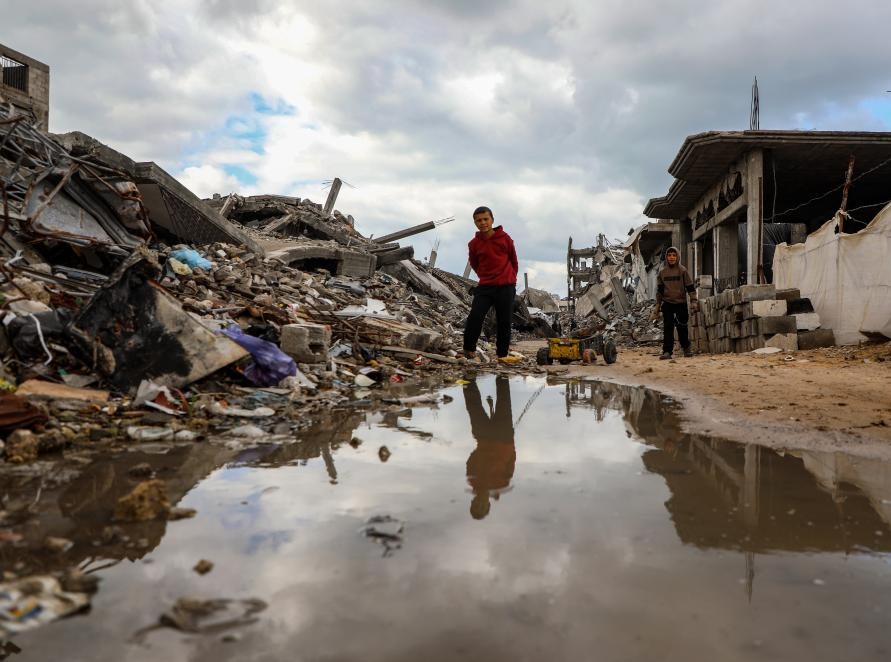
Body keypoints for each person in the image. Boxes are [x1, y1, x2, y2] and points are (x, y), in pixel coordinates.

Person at [463, 206, 519, 360]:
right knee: (475, 316)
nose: (482, 223)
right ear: (475, 223)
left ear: (492, 220)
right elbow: (474, 263)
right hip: (485, 286)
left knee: (504, 321)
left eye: (485, 219)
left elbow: (513, 261)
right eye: (478, 220)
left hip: (505, 286)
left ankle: (502, 354)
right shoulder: (474, 244)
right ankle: (468, 349)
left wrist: (511, 279)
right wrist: (484, 275)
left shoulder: (504, 238)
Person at [463, 377, 516, 520]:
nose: (479, 503)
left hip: (483, 437)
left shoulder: (472, 481)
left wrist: (480, 451)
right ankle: (502, 377)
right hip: (503, 437)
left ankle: (468, 377)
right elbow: (512, 460)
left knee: (473, 406)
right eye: (482, 506)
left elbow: (470, 461)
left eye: (476, 505)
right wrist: (510, 441)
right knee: (504, 400)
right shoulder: (502, 484)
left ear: (473, 501)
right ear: (488, 504)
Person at [653, 246, 698, 360]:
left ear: (677, 256)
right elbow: (659, 291)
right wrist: (657, 306)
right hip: (667, 303)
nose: (671, 257)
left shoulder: (683, 270)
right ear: (666, 257)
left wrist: (693, 301)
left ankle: (686, 348)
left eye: (674, 255)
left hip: (681, 303)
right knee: (668, 327)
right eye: (669, 255)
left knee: (682, 327)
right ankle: (667, 351)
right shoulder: (662, 272)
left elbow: (690, 287)